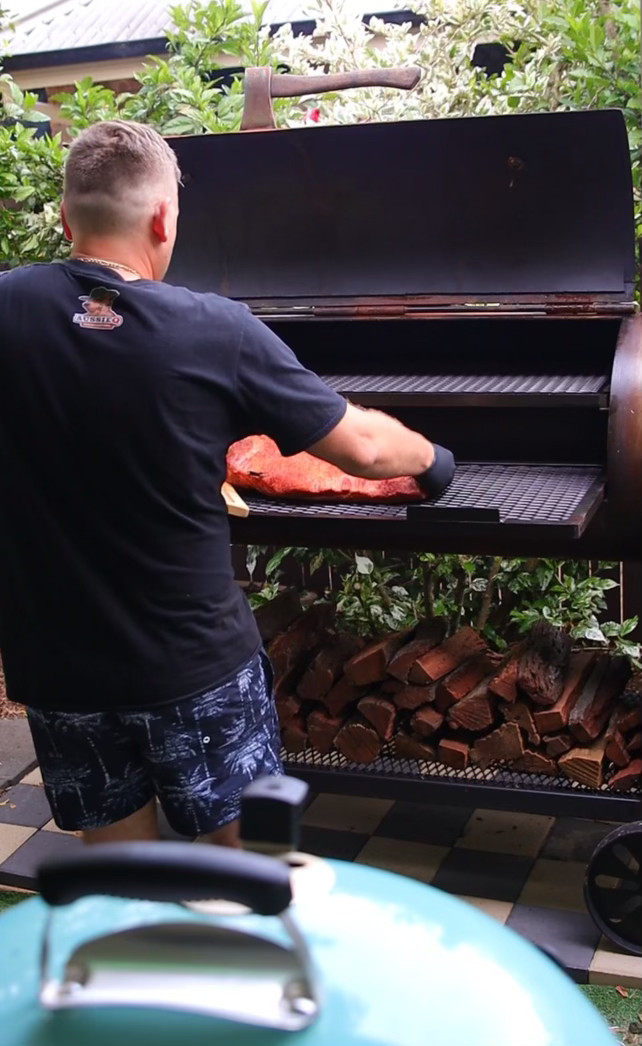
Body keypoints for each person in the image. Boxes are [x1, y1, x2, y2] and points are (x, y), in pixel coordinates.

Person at [0, 120, 455, 848]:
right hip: (193, 667)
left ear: (65, 219)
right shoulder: (216, 330)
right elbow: (366, 450)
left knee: (119, 877)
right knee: (244, 871)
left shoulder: (7, 305)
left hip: (58, 671)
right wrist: (433, 460)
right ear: (163, 217)